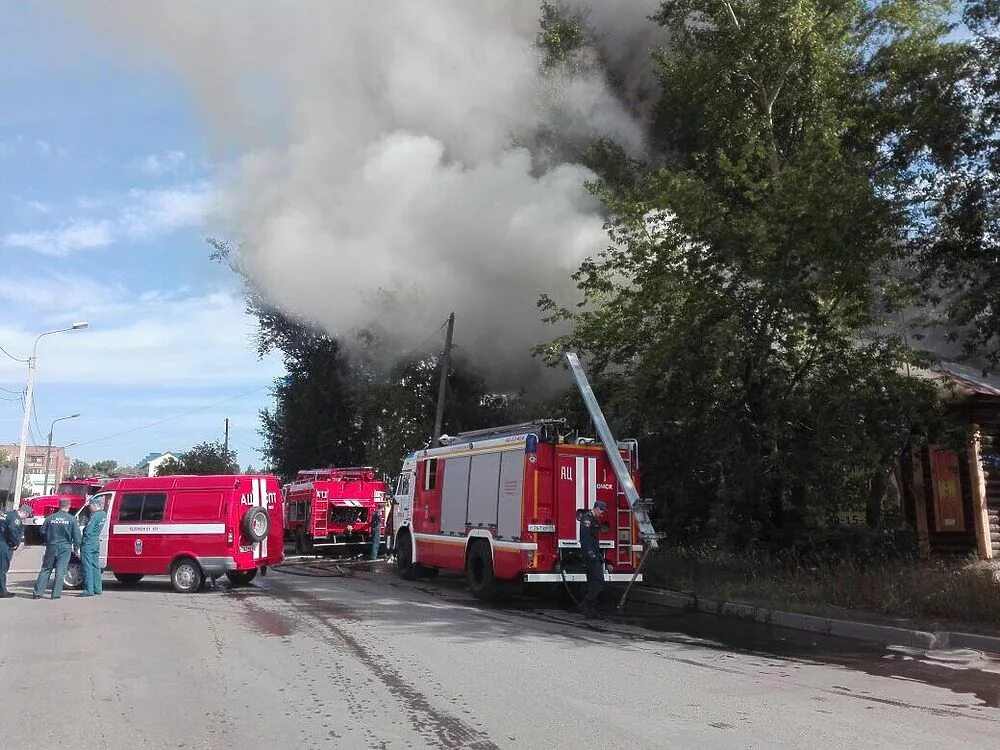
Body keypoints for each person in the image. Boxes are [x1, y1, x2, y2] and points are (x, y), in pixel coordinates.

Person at [33, 498, 81, 600]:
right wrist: (76, 548)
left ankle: (38, 593)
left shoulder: (50, 518)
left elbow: (42, 531)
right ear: (68, 506)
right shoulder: (72, 519)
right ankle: (55, 594)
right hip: (65, 547)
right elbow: (77, 536)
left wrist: (49, 539)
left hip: (52, 545)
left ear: (59, 506)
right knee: (60, 570)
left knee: (46, 569)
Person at [578, 500, 608, 618]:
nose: (602, 513)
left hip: (595, 553)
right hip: (590, 555)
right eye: (601, 510)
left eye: (603, 511)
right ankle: (586, 604)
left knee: (592, 582)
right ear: (595, 508)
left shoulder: (594, 519)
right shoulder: (587, 519)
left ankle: (590, 609)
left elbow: (594, 539)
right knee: (598, 581)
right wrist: (591, 554)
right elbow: (585, 540)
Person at [0, 505, 32, 598]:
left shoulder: (7, 514)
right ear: (24, 512)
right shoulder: (15, 518)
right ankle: (2, 591)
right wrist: (15, 542)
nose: (25, 518)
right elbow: (13, 530)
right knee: (2, 568)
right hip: (5, 545)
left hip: (2, 541)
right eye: (26, 516)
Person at [80, 495, 107, 596]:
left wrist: (83, 534)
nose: (89, 508)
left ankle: (89, 590)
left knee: (87, 566)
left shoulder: (95, 516)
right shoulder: (103, 514)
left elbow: (88, 530)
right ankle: (97, 588)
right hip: (96, 541)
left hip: (89, 542)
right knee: (96, 566)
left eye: (90, 505)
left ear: (95, 505)